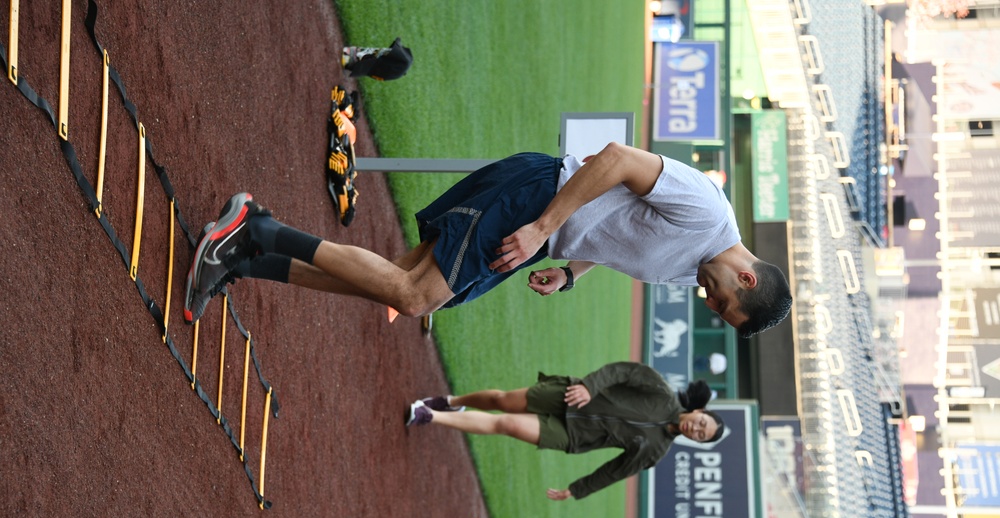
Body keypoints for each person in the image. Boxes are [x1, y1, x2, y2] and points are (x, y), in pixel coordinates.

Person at [183, 143, 792, 337]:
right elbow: (616, 161)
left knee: (396, 284)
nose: (707, 303)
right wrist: (543, 227)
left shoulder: (700, 269)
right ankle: (253, 226)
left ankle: (246, 261)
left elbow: (627, 236)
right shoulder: (709, 212)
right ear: (746, 279)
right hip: (533, 201)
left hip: (541, 235)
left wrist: (572, 269)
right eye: (722, 304)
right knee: (416, 295)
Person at [404, 363, 725, 501]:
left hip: (572, 435)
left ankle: (428, 415)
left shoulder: (655, 452)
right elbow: (623, 371)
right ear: (699, 411)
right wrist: (588, 385)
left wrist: (579, 489)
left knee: (507, 424)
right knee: (502, 401)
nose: (695, 428)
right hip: (571, 394)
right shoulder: (660, 390)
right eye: (701, 423)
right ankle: (451, 402)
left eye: (701, 435)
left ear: (696, 441)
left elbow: (615, 471)